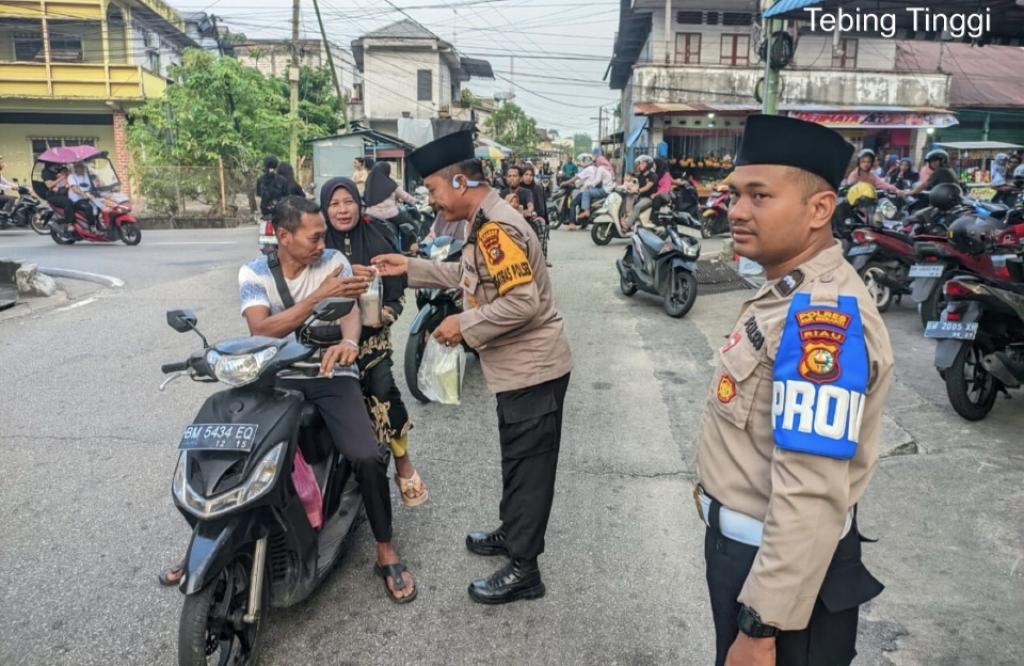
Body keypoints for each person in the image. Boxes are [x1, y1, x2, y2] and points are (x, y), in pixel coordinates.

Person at [696, 114, 892, 666]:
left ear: (819, 210)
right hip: (753, 556)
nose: (736, 210)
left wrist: (762, 627)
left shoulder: (821, 318)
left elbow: (809, 490)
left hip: (777, 579)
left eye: (759, 196)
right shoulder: (785, 289)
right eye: (735, 194)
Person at [160, 196, 417, 603]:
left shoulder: (333, 260)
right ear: (283, 236)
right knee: (223, 450)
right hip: (273, 373)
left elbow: (349, 308)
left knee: (366, 455)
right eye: (314, 236)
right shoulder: (254, 271)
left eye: (322, 235)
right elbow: (262, 330)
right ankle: (203, 542)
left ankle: (385, 549)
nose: (322, 242)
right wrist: (317, 298)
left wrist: (350, 341)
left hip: (329, 371)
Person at [371, 130, 573, 605]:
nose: (433, 201)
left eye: (435, 191)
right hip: (520, 371)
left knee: (529, 469)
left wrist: (463, 324)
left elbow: (521, 303)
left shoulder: (497, 229)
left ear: (460, 182)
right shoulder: (485, 223)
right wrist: (409, 266)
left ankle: (525, 569)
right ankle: (512, 533)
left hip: (534, 370)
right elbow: (466, 276)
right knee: (517, 462)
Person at [320, 178, 428, 509]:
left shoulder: (378, 233)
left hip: (372, 341)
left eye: (347, 201)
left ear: (359, 203)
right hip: (325, 344)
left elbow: (397, 290)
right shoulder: (317, 243)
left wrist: (386, 313)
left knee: (383, 391)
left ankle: (403, 462)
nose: (342, 209)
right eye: (334, 203)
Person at [627, 155, 659, 228]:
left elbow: (647, 187)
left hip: (649, 198)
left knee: (637, 207)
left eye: (642, 163)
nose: (639, 166)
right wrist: (627, 186)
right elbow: (634, 182)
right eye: (639, 164)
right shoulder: (640, 175)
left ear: (648, 165)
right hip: (640, 196)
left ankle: (627, 225)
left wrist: (637, 190)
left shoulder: (653, 175)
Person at [67, 161, 100, 230]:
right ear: (76, 168)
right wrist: (83, 194)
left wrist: (98, 180)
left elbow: (95, 184)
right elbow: (74, 189)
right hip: (77, 199)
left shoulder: (86, 175)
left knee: (101, 204)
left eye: (83, 167)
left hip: (88, 196)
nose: (83, 169)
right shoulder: (71, 176)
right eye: (80, 167)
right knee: (89, 207)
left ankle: (99, 223)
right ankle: (92, 226)